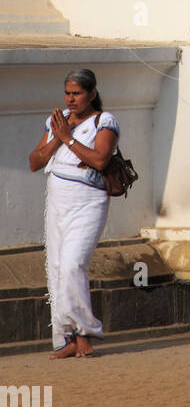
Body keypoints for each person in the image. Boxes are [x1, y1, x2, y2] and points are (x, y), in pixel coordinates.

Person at [28, 68, 120, 359]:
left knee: (72, 264)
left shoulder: (104, 121)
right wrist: (58, 136)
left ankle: (85, 331)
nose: (70, 99)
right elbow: (34, 161)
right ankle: (67, 337)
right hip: (57, 201)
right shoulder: (56, 122)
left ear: (91, 93)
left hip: (88, 203)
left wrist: (67, 138)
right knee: (56, 269)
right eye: (67, 93)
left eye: (77, 93)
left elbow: (100, 159)